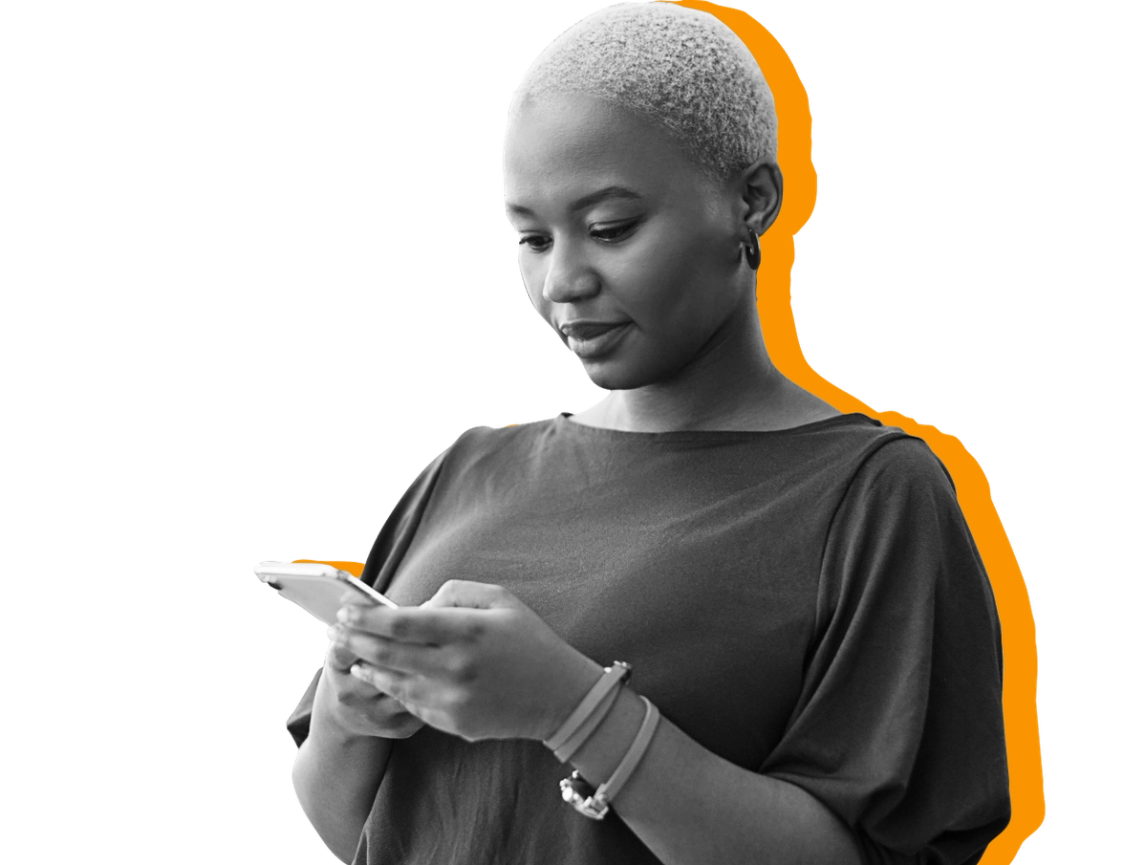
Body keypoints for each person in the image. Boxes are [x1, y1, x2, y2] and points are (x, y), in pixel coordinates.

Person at [287, 3, 1011, 863]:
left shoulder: (872, 495)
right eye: (529, 236)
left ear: (752, 199)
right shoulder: (469, 467)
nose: (562, 282)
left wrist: (574, 709)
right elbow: (332, 829)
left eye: (610, 229)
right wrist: (346, 710)